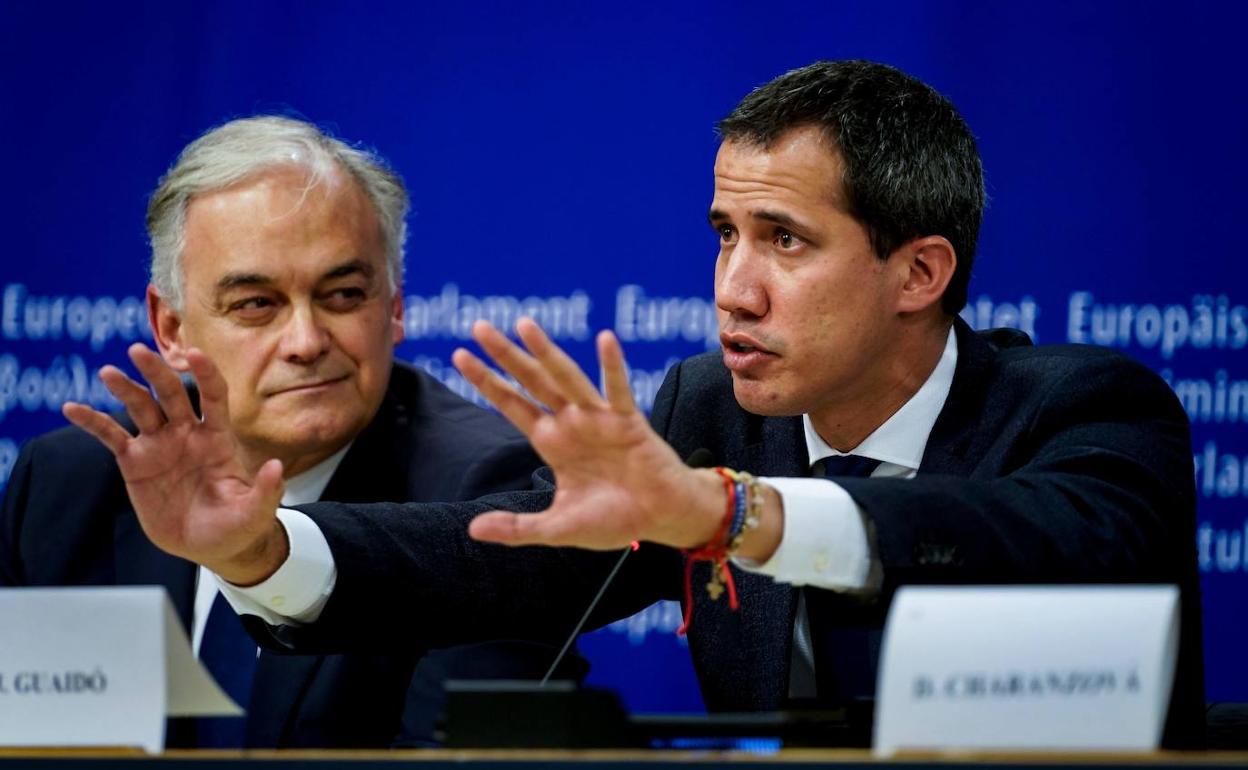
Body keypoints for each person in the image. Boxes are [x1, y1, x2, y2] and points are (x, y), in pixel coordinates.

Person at [60, 62, 1204, 747]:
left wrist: (733, 514)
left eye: (785, 241)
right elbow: (498, 558)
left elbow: (1028, 537)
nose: (733, 287)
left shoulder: (1091, 410)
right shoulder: (716, 410)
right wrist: (265, 550)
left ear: (919, 272)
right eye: (724, 234)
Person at [0, 115, 580, 749]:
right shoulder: (72, 482)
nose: (306, 342)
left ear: (394, 308)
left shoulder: (483, 492)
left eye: (343, 294)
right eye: (256, 304)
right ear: (171, 329)